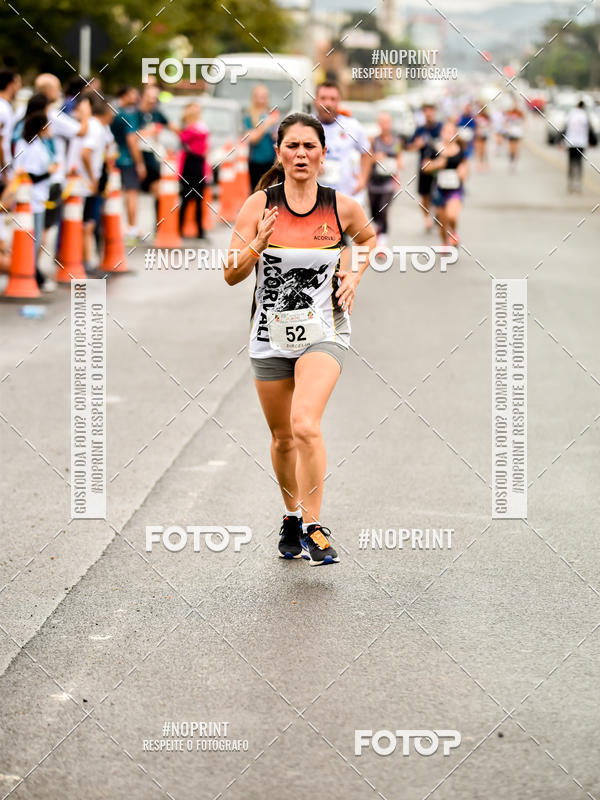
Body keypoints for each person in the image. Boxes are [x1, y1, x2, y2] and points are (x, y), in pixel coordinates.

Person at [224, 112, 375, 565]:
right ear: (279, 153)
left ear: (323, 153)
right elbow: (231, 274)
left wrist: (353, 271)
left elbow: (366, 240)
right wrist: (257, 244)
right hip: (269, 336)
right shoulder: (258, 206)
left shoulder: (340, 206)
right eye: (293, 146)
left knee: (305, 424)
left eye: (310, 146)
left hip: (324, 330)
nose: (302, 154)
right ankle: (290, 516)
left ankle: (313, 527)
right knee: (282, 436)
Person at [67, 96, 114, 273]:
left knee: (83, 222)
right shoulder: (96, 128)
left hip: (82, 181)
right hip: (84, 183)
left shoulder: (95, 126)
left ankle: (81, 261)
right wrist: (93, 179)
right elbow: (85, 153)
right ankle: (86, 263)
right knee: (87, 224)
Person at [13, 112, 58, 289]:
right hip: (32, 199)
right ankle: (32, 275)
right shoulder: (31, 146)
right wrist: (51, 172)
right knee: (34, 239)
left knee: (36, 239)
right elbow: (29, 176)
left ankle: (32, 273)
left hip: (37, 198)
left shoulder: (35, 143)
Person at [313, 82, 371, 207]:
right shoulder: (306, 125)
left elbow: (367, 153)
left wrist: (363, 179)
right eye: (323, 98)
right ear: (315, 101)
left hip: (345, 198)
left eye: (333, 99)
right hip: (313, 200)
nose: (328, 103)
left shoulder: (352, 126)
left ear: (339, 101)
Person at [422, 120, 468, 247]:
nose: (448, 135)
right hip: (438, 189)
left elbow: (464, 166)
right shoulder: (434, 149)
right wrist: (437, 164)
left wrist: (462, 172)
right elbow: (425, 167)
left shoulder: (459, 150)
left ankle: (453, 231)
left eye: (451, 132)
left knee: (451, 216)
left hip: (455, 189)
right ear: (441, 133)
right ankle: (444, 243)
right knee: (442, 221)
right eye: (446, 132)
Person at [110, 86, 143, 243]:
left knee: (116, 194)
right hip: (128, 159)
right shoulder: (129, 115)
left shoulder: (114, 112)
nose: (136, 97)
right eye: (133, 94)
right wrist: (140, 163)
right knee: (131, 194)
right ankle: (131, 229)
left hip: (114, 158)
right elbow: (132, 140)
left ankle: (115, 228)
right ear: (124, 95)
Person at [368, 111, 403, 249]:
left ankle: (382, 243)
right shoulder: (373, 141)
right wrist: (376, 157)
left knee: (384, 210)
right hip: (373, 182)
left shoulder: (396, 141)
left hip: (389, 182)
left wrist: (399, 163)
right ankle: (378, 228)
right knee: (374, 212)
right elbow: (366, 159)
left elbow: (399, 156)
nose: (384, 125)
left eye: (387, 122)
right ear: (378, 124)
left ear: (391, 124)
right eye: (382, 122)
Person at [406, 103, 442, 232]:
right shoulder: (420, 130)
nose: (429, 114)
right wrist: (417, 144)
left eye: (431, 110)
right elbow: (408, 147)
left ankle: (438, 213)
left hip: (439, 166)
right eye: (426, 111)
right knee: (424, 195)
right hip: (424, 166)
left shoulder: (440, 127)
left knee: (439, 193)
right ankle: (427, 217)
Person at [178, 102, 209, 238]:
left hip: (197, 164)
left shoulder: (199, 127)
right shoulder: (190, 129)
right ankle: (182, 228)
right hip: (191, 164)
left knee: (196, 199)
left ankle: (199, 229)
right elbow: (186, 138)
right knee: (187, 198)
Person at [0, 68, 21, 264]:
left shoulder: (6, 107)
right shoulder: (3, 107)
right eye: (18, 82)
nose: (20, 86)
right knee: (4, 207)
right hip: (2, 168)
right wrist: (5, 168)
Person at [244, 85, 279, 190]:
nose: (261, 99)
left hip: (272, 161)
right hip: (256, 161)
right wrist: (266, 124)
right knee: (257, 191)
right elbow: (253, 139)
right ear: (253, 97)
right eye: (259, 96)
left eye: (264, 96)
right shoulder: (249, 116)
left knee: (270, 193)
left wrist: (277, 135)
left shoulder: (273, 113)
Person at [564, 100, 590, 193]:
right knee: (579, 164)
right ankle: (578, 184)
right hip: (581, 143)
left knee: (571, 163)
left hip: (571, 142)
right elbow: (589, 129)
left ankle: (570, 183)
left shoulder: (571, 114)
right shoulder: (585, 115)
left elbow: (565, 127)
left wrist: (560, 140)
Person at [503, 101, 525, 169]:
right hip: (511, 132)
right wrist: (507, 128)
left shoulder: (520, 113)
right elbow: (505, 122)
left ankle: (514, 162)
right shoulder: (509, 112)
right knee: (511, 148)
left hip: (517, 133)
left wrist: (523, 129)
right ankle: (511, 160)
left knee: (516, 148)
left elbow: (524, 122)